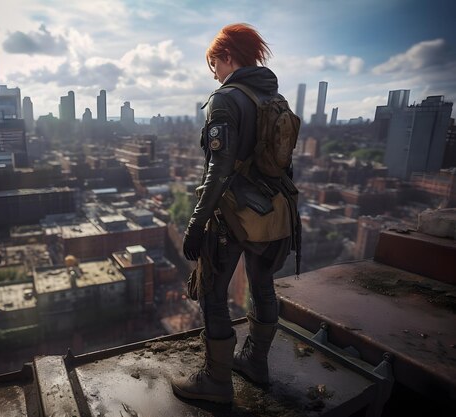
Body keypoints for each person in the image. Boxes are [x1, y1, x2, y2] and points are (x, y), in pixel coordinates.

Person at [171, 23, 294, 404]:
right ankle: (256, 363)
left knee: (212, 292)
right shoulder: (276, 99)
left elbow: (218, 169)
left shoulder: (225, 99)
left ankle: (216, 380)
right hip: (275, 213)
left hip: (234, 216)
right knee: (262, 287)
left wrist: (194, 224)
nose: (213, 73)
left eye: (214, 63)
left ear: (227, 56)